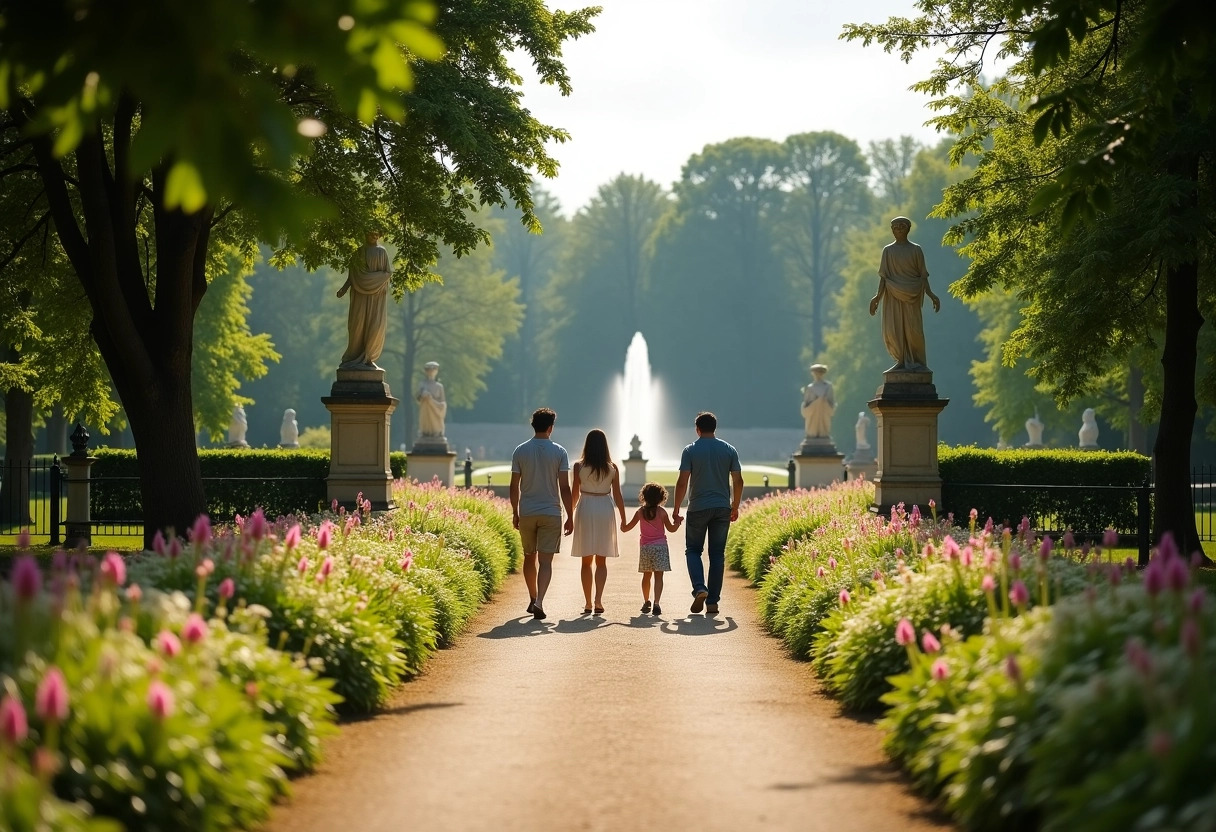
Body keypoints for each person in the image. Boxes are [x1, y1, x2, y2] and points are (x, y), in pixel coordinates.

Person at [672, 412, 744, 615]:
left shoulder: (690, 450)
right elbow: (738, 481)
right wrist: (735, 505)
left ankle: (699, 588)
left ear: (697, 429)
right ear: (715, 428)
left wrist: (676, 509)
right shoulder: (729, 449)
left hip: (698, 507)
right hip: (722, 507)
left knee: (693, 550)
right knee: (717, 554)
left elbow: (682, 482)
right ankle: (712, 601)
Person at [510, 408, 574, 620]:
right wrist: (571, 515)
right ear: (550, 427)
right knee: (546, 562)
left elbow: (514, 486)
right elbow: (565, 487)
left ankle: (532, 597)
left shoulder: (520, 451)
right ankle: (539, 601)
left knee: (529, 557)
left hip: (528, 510)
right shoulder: (560, 452)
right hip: (551, 511)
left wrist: (515, 512)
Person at [868, 217, 941, 372]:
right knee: (894, 330)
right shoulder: (888, 251)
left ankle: (918, 362)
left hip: (912, 295)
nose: (899, 229)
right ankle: (901, 360)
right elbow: (884, 277)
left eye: (902, 226)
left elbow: (923, 276)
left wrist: (930, 294)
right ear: (891, 230)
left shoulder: (916, 250)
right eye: (895, 226)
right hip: (893, 295)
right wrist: (877, 298)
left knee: (913, 329)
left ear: (908, 228)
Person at [569, 429, 627, 614]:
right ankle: (598, 600)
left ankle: (587, 602)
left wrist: (569, 517)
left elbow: (574, 494)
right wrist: (624, 519)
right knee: (601, 560)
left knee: (586, 561)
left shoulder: (579, 466)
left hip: (586, 506)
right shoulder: (612, 467)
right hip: (604, 507)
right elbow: (618, 495)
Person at [621, 482, 681, 616]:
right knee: (659, 576)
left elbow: (626, 528)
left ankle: (646, 601)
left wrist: (622, 523)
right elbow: (671, 529)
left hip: (645, 548)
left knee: (646, 575)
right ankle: (657, 603)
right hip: (660, 547)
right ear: (661, 498)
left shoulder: (640, 512)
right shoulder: (662, 512)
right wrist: (678, 522)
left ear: (644, 497)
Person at [338, 231, 392, 370]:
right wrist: (344, 288)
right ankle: (353, 358)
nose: (373, 236)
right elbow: (353, 275)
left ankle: (368, 357)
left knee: (375, 326)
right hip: (359, 296)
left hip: (376, 296)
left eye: (376, 234)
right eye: (370, 233)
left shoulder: (381, 252)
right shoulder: (358, 253)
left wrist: (371, 281)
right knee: (357, 326)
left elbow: (387, 274)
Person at [801, 364, 835, 438]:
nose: (817, 375)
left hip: (824, 413)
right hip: (813, 415)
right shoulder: (810, 387)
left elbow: (831, 402)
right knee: (812, 430)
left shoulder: (828, 386)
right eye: (815, 373)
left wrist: (823, 402)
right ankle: (812, 435)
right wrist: (815, 404)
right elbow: (806, 403)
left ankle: (824, 435)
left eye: (819, 373)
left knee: (824, 430)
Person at [416, 361, 447, 442]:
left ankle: (437, 433)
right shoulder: (422, 384)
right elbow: (418, 398)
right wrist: (423, 395)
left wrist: (433, 401)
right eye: (429, 370)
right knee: (426, 429)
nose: (431, 372)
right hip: (425, 410)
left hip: (435, 412)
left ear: (436, 371)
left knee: (436, 429)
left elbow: (443, 402)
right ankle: (425, 433)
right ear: (426, 371)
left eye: (434, 369)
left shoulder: (439, 386)